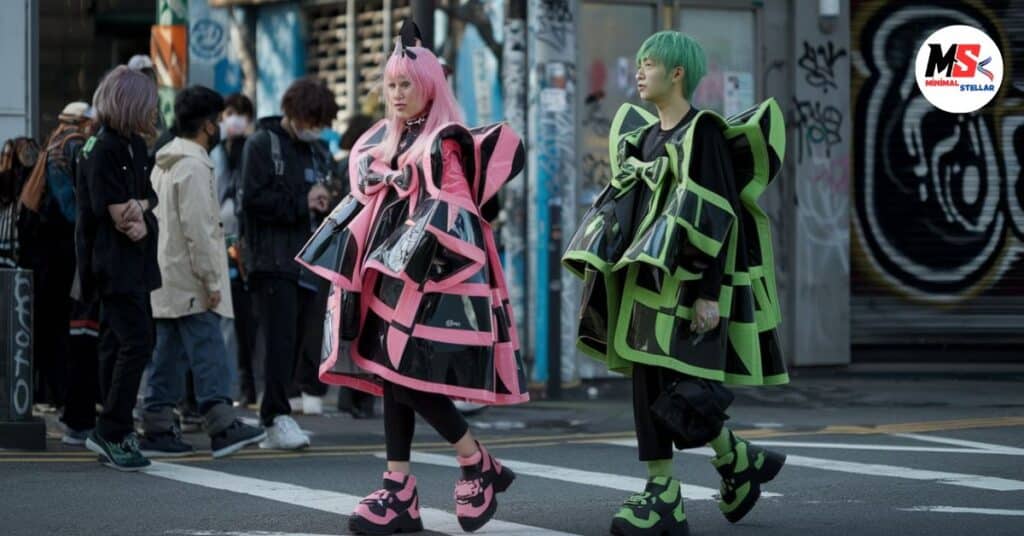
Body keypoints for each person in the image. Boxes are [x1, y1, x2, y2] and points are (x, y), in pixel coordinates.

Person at [295, 22, 528, 534]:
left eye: (406, 84)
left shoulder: (443, 138)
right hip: (388, 271)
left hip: (428, 275)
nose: (397, 94)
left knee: (403, 373)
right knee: (388, 372)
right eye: (392, 84)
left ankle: (472, 460)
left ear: (429, 86)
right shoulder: (388, 138)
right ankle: (401, 484)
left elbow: (456, 207)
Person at [562, 31, 789, 536]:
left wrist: (710, 292)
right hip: (645, 285)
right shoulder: (644, 138)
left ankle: (673, 492)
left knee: (678, 388)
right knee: (652, 383)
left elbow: (718, 212)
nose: (639, 73)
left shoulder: (701, 132)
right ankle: (724, 466)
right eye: (639, 64)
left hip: (687, 286)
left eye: (648, 64)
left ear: (677, 73)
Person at [139, 85, 266, 458]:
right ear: (209, 126)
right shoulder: (194, 165)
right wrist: (212, 280)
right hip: (192, 275)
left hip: (167, 272)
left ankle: (157, 426)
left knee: (169, 353)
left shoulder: (165, 159)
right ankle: (222, 425)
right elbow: (201, 229)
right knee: (208, 348)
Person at [240, 77, 338, 449]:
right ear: (294, 114)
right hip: (272, 260)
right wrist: (302, 202)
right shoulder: (262, 145)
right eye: (312, 121)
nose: (316, 130)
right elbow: (252, 201)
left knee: (297, 341)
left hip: (308, 261)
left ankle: (279, 416)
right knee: (279, 342)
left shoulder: (316, 152)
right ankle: (274, 417)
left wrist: (324, 200)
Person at [76, 65, 162, 471]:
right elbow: (120, 220)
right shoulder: (103, 148)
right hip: (112, 266)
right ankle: (111, 429)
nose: (154, 113)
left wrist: (141, 208)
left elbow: (146, 200)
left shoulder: (135, 147)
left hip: (135, 267)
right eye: (149, 105)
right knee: (137, 341)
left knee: (121, 342)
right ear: (130, 105)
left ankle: (113, 426)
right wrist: (138, 213)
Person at [16, 102, 94, 412]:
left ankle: (48, 393)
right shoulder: (73, 144)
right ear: (82, 121)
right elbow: (70, 205)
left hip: (45, 247)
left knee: (49, 324)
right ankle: (63, 394)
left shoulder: (52, 143)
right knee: (66, 324)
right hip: (63, 246)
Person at [212, 92, 259, 406]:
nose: (236, 120)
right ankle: (228, 386)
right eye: (231, 113)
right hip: (220, 242)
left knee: (246, 321)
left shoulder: (252, 151)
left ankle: (246, 385)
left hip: (245, 244)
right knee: (226, 319)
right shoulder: (215, 153)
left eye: (241, 114)